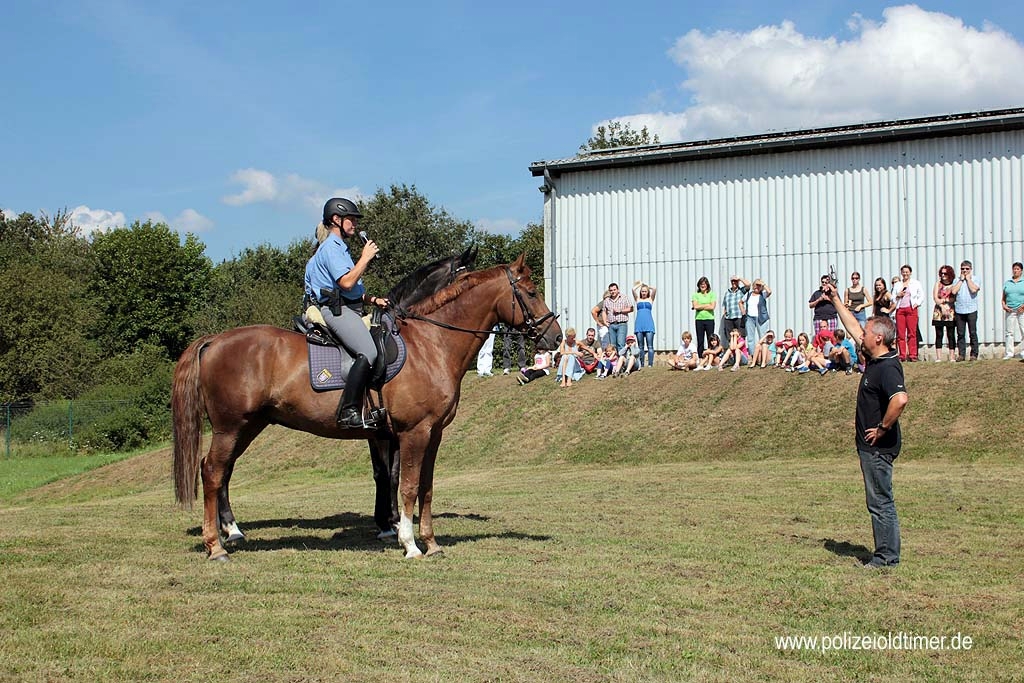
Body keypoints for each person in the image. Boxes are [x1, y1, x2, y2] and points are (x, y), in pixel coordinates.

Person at [823, 282, 908, 569]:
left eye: (868, 332)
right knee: (879, 500)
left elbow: (900, 399)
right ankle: (886, 553)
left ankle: (886, 557)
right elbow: (853, 328)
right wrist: (835, 299)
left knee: (881, 502)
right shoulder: (876, 356)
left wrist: (883, 428)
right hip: (870, 447)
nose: (863, 335)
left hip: (878, 447)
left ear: (880, 339)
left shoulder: (887, 367)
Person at [304, 198, 389, 428]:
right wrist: (365, 257)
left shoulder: (340, 249)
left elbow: (353, 290)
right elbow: (347, 283)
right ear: (336, 220)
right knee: (369, 352)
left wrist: (373, 299)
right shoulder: (331, 248)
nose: (355, 224)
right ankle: (348, 411)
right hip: (336, 311)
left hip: (347, 306)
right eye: (351, 219)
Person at [891, 265, 925, 362]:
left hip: (911, 309)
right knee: (901, 334)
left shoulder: (915, 283)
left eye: (907, 272)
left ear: (910, 273)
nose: (905, 274)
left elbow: (921, 295)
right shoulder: (898, 284)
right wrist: (898, 295)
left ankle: (913, 355)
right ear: (901, 273)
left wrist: (916, 304)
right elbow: (892, 298)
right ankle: (902, 355)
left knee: (912, 333)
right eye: (903, 272)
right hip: (900, 310)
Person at [949, 260, 981, 361]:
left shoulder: (976, 279)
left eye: (967, 269)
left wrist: (968, 279)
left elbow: (974, 289)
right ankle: (961, 354)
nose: (964, 271)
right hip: (959, 310)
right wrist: (961, 280)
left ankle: (974, 354)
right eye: (963, 269)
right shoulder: (956, 280)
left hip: (971, 309)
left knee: (972, 332)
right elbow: (953, 291)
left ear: (970, 269)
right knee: (960, 333)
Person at [931, 265, 956, 363]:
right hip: (939, 312)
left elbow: (954, 298)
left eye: (945, 273)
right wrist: (941, 305)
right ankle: (939, 357)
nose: (943, 275)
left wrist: (945, 301)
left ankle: (952, 356)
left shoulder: (953, 284)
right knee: (939, 334)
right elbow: (935, 298)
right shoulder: (938, 284)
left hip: (950, 311)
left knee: (951, 334)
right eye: (941, 273)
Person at [601, 283, 634, 353]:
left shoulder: (624, 297)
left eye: (614, 290)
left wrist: (620, 311)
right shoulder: (607, 300)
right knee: (613, 345)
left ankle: (621, 361)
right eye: (611, 290)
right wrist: (604, 321)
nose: (613, 292)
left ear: (618, 290)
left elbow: (631, 308)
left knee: (620, 343)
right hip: (611, 325)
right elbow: (604, 311)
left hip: (621, 323)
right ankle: (615, 362)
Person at [632, 281, 658, 368]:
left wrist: (646, 286)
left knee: (650, 345)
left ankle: (650, 364)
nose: (643, 293)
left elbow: (654, 289)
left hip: (649, 324)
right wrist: (640, 285)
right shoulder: (637, 299)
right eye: (642, 291)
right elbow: (633, 289)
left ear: (647, 292)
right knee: (640, 346)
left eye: (645, 291)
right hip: (639, 324)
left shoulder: (650, 299)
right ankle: (642, 364)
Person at [1002, 261, 1024, 360]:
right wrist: (1004, 305)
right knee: (1009, 332)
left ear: (1021, 271)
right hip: (1010, 310)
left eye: (1017, 269)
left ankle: (1023, 352)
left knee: (1023, 330)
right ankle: (1009, 353)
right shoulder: (1007, 283)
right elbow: (1003, 297)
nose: (1015, 271)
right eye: (1014, 269)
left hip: (1021, 310)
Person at [691, 276, 717, 357]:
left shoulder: (712, 294)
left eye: (704, 284)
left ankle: (711, 357)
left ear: (707, 285)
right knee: (700, 340)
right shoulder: (696, 295)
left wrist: (701, 306)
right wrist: (707, 305)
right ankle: (700, 358)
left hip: (709, 319)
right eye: (701, 284)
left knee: (711, 339)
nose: (703, 286)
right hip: (699, 319)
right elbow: (695, 306)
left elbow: (712, 307)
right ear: (699, 285)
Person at [744, 279, 773, 344]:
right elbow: (740, 302)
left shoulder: (763, 294)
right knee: (750, 338)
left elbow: (769, 292)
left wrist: (763, 284)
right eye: (756, 285)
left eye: (759, 286)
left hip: (761, 318)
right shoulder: (749, 294)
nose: (757, 287)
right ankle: (752, 354)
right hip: (750, 318)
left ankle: (763, 353)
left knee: (762, 337)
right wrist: (743, 311)